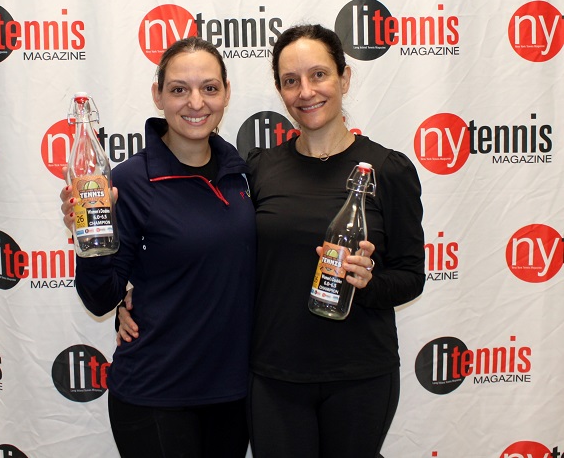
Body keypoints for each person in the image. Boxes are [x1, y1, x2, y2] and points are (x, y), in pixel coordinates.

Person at [116, 24, 425, 458]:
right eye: (291, 80)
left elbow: (411, 276)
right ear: (280, 90)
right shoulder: (258, 169)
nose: (306, 91)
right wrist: (134, 300)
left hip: (360, 375)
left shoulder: (388, 170)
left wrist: (369, 284)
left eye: (319, 75)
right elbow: (210, 243)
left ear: (344, 78)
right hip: (273, 378)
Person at [62, 37, 256, 458]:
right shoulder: (129, 181)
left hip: (232, 394)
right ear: (158, 95)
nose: (196, 102)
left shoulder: (243, 174)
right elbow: (100, 298)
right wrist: (90, 245)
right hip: (156, 394)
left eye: (209, 88)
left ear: (226, 93)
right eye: (179, 89)